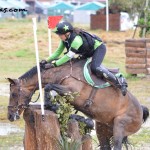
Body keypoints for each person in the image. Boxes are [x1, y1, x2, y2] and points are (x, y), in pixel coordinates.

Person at [40, 21, 127, 96]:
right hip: (86, 51)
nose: (59, 36)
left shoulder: (76, 40)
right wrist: (46, 60)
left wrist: (54, 64)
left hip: (98, 48)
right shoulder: (64, 40)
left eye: (59, 34)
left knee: (95, 67)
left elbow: (68, 56)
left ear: (67, 33)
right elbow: (57, 52)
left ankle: (119, 81)